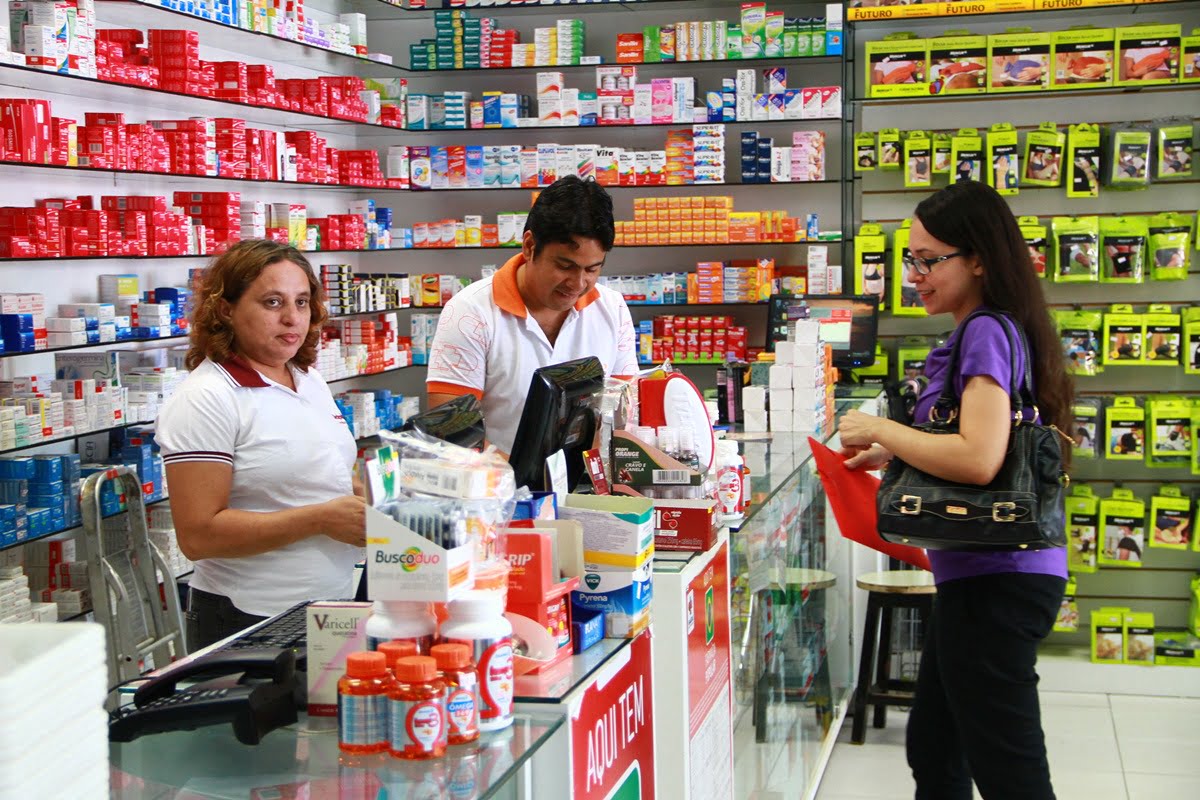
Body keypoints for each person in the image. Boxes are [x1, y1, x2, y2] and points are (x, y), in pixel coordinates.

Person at [839, 181, 1072, 800]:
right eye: (910, 259)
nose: (913, 275)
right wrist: (895, 451)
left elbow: (979, 458)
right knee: (937, 748)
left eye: (928, 260)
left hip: (997, 580)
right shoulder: (986, 329)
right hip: (982, 576)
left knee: (1008, 771)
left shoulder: (986, 331)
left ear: (978, 259)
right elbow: (974, 441)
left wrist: (882, 427)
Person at [156, 239, 367, 652]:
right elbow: (198, 535)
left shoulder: (307, 378)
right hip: (251, 618)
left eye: (302, 302)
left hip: (332, 605)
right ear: (225, 309)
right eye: (273, 302)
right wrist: (320, 520)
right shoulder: (207, 397)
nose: (292, 318)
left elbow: (320, 476)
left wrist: (374, 498)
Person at [426, 176, 637, 456]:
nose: (577, 284)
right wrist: (518, 476)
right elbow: (451, 431)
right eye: (565, 266)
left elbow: (623, 413)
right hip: (498, 480)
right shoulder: (470, 314)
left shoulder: (613, 309)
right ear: (529, 246)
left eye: (592, 270)